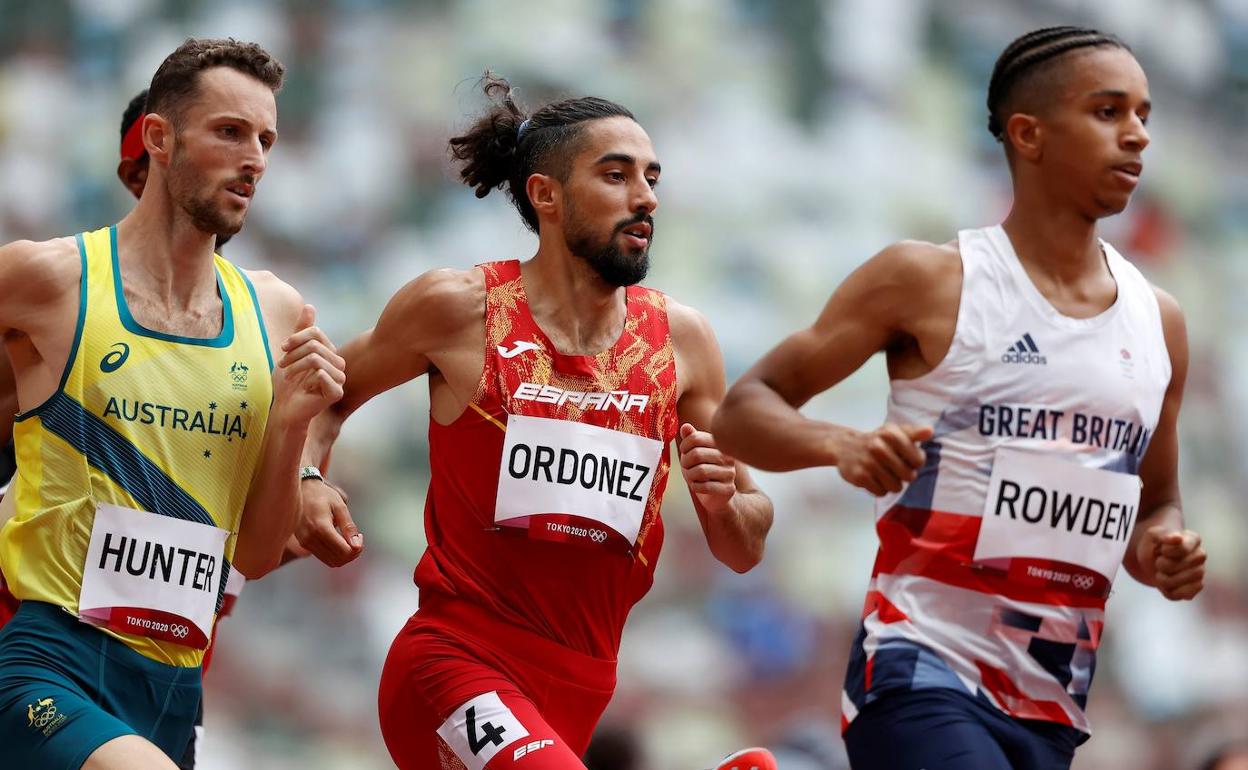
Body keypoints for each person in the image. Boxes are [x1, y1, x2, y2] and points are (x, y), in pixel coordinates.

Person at [713, 26, 1206, 770]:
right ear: (1028, 134)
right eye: (1108, 112)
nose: (1137, 136)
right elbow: (744, 409)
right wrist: (840, 445)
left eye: (1143, 115)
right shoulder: (929, 281)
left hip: (1052, 702)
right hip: (919, 669)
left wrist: (1163, 547)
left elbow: (1154, 504)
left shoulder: (1159, 320)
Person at [296, 74, 775, 769]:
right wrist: (309, 476)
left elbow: (744, 546)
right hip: (452, 664)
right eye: (616, 176)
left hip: (581, 690)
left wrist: (726, 503)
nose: (645, 197)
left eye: (651, 177)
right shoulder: (457, 308)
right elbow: (327, 395)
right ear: (545, 195)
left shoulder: (683, 341)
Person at [0, 38, 345, 770]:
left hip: (175, 689)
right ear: (158, 138)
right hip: (49, 661)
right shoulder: (49, 281)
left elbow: (252, 552)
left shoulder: (277, 312)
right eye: (229, 131)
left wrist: (293, 437)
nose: (254, 158)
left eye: (266, 140)